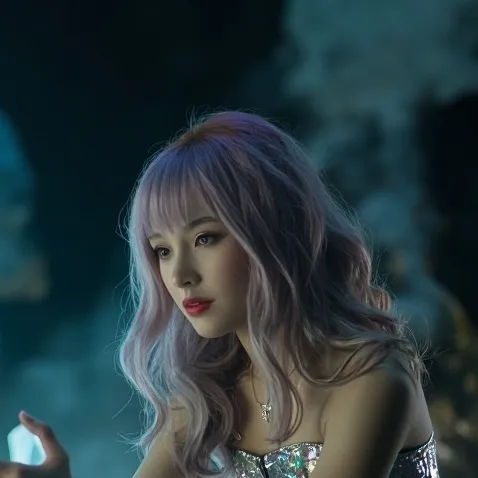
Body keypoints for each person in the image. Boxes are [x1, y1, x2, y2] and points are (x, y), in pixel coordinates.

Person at [0, 111, 439, 478]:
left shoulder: (371, 379)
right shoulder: (211, 390)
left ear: (274, 231)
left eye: (205, 238)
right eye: (162, 251)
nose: (180, 275)